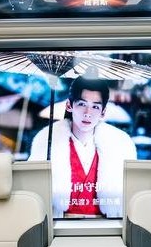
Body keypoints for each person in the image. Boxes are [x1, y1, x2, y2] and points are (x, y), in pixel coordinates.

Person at [28, 77, 136, 218]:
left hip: (105, 225)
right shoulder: (46, 144)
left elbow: (130, 198)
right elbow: (33, 193)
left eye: (95, 107)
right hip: (59, 225)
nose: (87, 113)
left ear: (103, 112)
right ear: (69, 105)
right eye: (81, 104)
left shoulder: (120, 146)